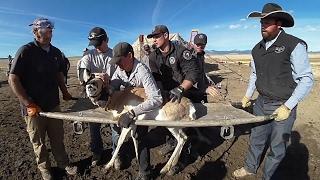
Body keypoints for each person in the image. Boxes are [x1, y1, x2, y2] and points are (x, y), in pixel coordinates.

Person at [233, 3, 314, 180]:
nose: (263, 25)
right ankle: (250, 167)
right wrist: (248, 95)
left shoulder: (294, 44)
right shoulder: (256, 49)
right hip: (261, 103)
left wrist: (288, 106)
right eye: (262, 21)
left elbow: (306, 79)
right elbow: (254, 74)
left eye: (267, 21)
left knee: (277, 148)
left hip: (283, 104)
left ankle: (268, 177)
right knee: (256, 138)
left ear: (279, 23)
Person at [8, 17, 77, 180]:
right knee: (38, 142)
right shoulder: (26, 50)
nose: (49, 33)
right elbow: (13, 79)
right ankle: (45, 168)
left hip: (53, 104)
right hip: (33, 108)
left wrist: (65, 92)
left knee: (57, 138)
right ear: (35, 31)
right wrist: (28, 103)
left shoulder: (55, 52)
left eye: (50, 30)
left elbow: (59, 74)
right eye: (45, 30)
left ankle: (63, 163)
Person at [147, 25, 200, 174]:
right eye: (153, 37)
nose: (154, 40)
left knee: (186, 127)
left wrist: (180, 89)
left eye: (157, 37)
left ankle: (185, 158)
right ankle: (172, 142)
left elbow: (193, 73)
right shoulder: (153, 56)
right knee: (166, 119)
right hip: (166, 94)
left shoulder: (181, 51)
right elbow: (155, 77)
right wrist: (160, 93)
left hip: (185, 91)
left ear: (166, 35)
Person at [109, 42, 163, 180]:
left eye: (120, 60)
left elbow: (156, 99)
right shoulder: (120, 69)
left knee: (140, 136)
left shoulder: (142, 70)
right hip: (128, 105)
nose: (118, 65)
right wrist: (106, 86)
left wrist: (132, 113)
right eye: (116, 62)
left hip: (141, 109)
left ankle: (145, 172)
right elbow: (113, 84)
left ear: (130, 56)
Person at [77, 27, 121, 168]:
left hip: (112, 95)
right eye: (93, 44)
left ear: (106, 40)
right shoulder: (88, 56)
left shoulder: (115, 54)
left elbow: (121, 74)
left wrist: (110, 82)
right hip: (92, 97)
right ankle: (97, 152)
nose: (96, 47)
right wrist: (96, 76)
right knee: (94, 125)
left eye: (98, 43)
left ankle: (116, 153)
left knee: (115, 124)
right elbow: (83, 75)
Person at [191, 33, 221, 103]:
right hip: (192, 93)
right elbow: (189, 78)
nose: (200, 46)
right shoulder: (190, 57)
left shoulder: (201, 55)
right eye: (197, 44)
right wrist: (204, 89)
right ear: (194, 43)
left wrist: (208, 84)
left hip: (201, 92)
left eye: (202, 45)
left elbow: (202, 73)